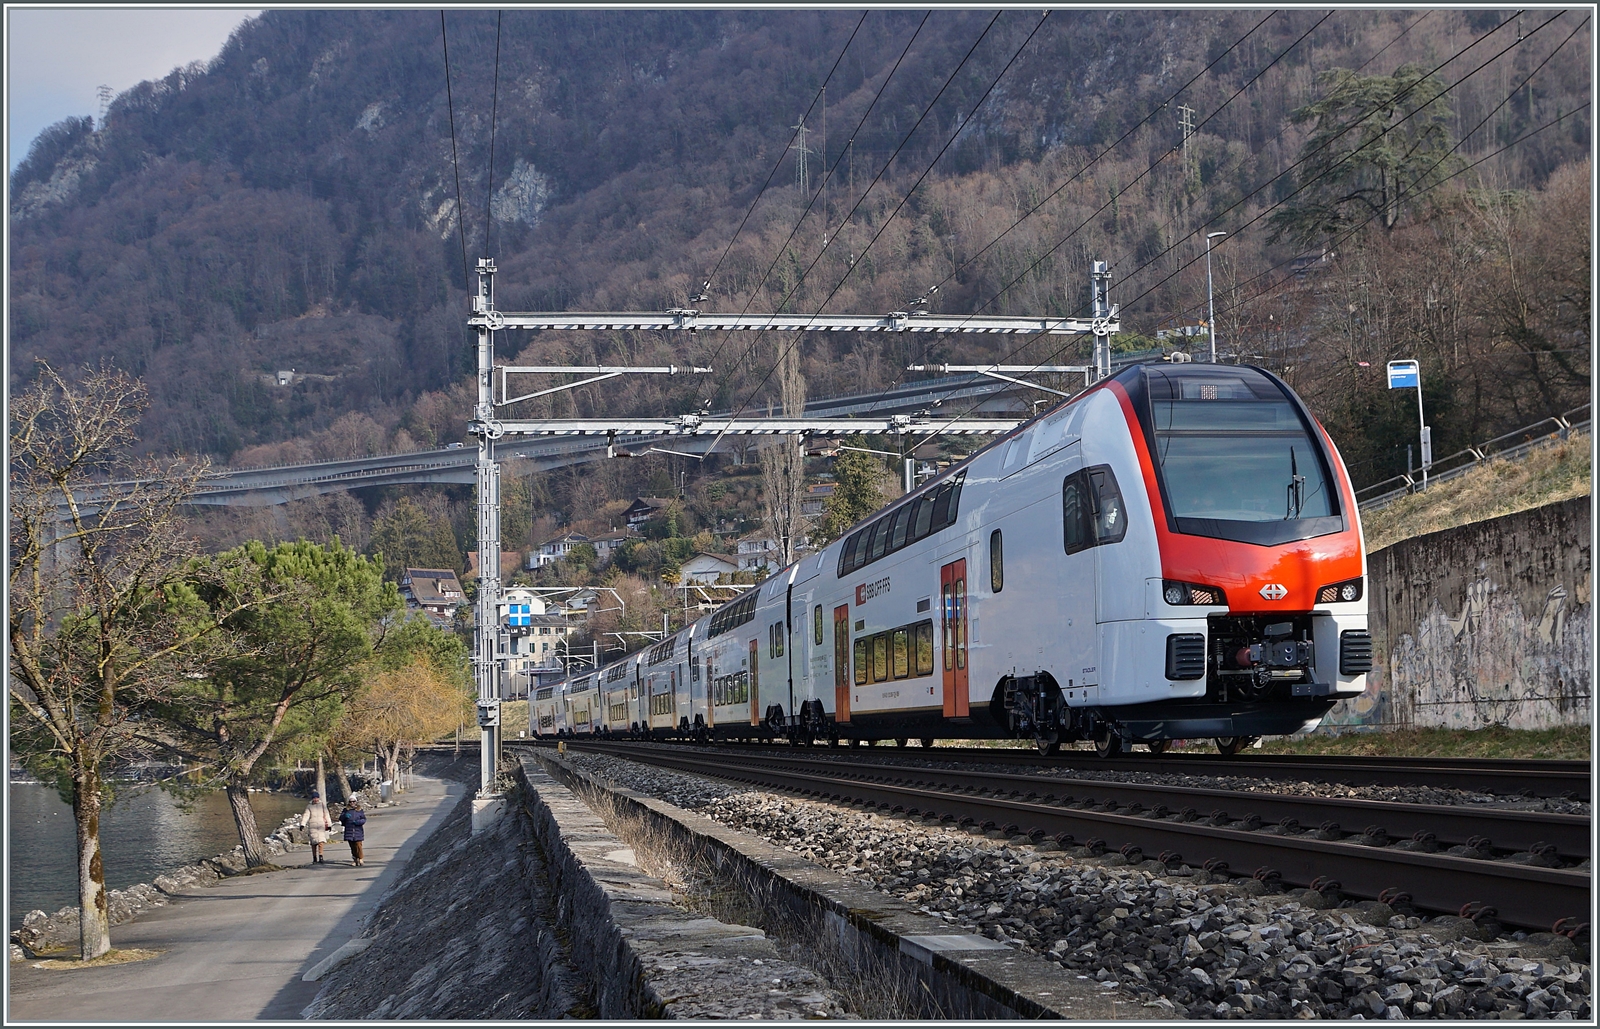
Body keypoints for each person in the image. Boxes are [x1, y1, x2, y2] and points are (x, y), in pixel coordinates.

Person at [301, 792, 332, 865]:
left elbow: (327, 815)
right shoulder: (309, 806)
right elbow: (306, 815)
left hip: (321, 825)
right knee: (313, 843)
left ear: (318, 798)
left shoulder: (322, 805)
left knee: (321, 842)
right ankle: (314, 857)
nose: (315, 799)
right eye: (314, 798)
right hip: (312, 826)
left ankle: (321, 856)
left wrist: (329, 824)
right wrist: (302, 824)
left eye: (316, 798)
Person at [339, 796, 367, 867]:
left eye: (353, 801)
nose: (352, 803)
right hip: (349, 830)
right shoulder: (346, 810)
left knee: (358, 845)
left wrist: (358, 822)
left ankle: (360, 858)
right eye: (350, 802)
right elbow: (341, 819)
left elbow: (364, 819)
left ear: (356, 802)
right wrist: (345, 816)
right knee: (352, 846)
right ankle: (355, 859)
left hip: (358, 830)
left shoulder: (359, 810)